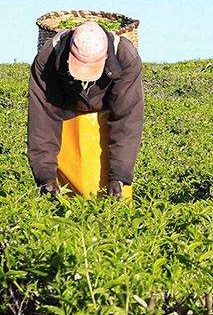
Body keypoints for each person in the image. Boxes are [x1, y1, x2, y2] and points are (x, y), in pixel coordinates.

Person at [28, 21, 144, 200]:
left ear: (106, 56)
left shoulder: (126, 56)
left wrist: (119, 176)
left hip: (104, 128)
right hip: (65, 129)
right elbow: (43, 118)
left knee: (115, 202)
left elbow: (126, 120)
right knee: (64, 202)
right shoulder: (48, 58)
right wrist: (45, 175)